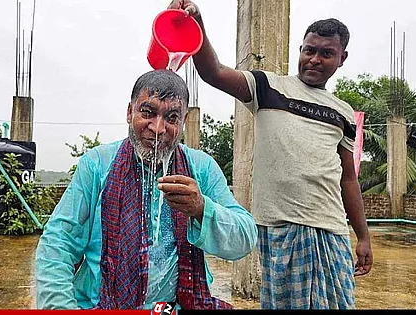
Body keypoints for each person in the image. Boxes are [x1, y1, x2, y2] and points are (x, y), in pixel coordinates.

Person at [167, 0, 373, 309]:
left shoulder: (342, 113)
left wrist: (363, 236)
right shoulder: (268, 87)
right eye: (308, 50)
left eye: (326, 54)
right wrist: (197, 24)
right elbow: (214, 72)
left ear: (341, 58)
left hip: (331, 229)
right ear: (300, 50)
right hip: (279, 228)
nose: (314, 60)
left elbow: (348, 179)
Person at [35, 69, 258, 310]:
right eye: (148, 112)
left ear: (183, 122)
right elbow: (58, 244)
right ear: (130, 112)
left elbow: (245, 239)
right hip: (100, 305)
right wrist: (61, 308)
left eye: (172, 117)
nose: (158, 127)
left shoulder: (201, 169)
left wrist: (202, 209)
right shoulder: (97, 165)